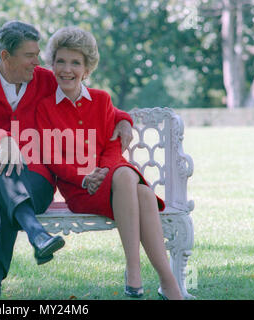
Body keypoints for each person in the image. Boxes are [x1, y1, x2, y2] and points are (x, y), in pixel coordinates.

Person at [0, 21, 131, 300]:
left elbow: (84, 97)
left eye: (37, 54)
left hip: (33, 181)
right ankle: (37, 233)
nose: (38, 62)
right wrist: (0, 139)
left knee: (6, 188)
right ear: (5, 57)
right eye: (29, 55)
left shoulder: (44, 80)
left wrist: (122, 118)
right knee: (1, 159)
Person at [36, 26, 184, 300]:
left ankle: (160, 281)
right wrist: (84, 178)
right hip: (80, 189)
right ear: (52, 64)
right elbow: (52, 159)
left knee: (138, 188)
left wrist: (102, 171)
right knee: (138, 188)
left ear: (87, 68)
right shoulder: (45, 107)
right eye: (60, 61)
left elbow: (113, 148)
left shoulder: (102, 100)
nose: (66, 69)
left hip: (114, 179)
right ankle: (149, 276)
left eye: (75, 62)